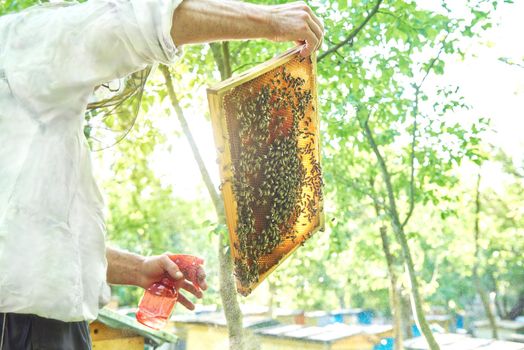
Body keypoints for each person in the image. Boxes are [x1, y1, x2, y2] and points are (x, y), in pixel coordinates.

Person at [0, 0, 324, 348]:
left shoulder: (28, 122)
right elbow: (140, 21)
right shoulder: (29, 38)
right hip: (21, 328)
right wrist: (272, 20)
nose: (101, 83)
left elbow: (36, 242)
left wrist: (139, 269)